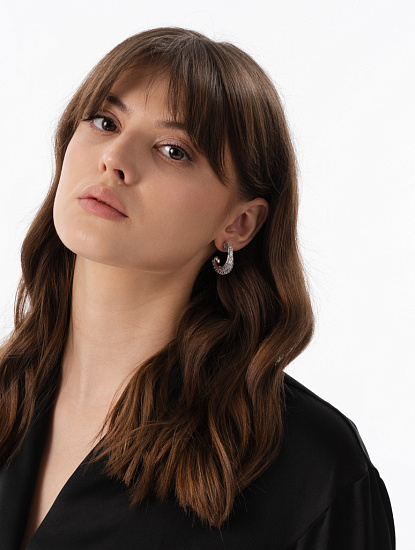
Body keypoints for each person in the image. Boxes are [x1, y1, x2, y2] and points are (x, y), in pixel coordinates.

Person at [0, 27, 395, 549]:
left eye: (173, 150)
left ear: (239, 224)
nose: (114, 158)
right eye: (105, 121)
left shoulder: (314, 473)